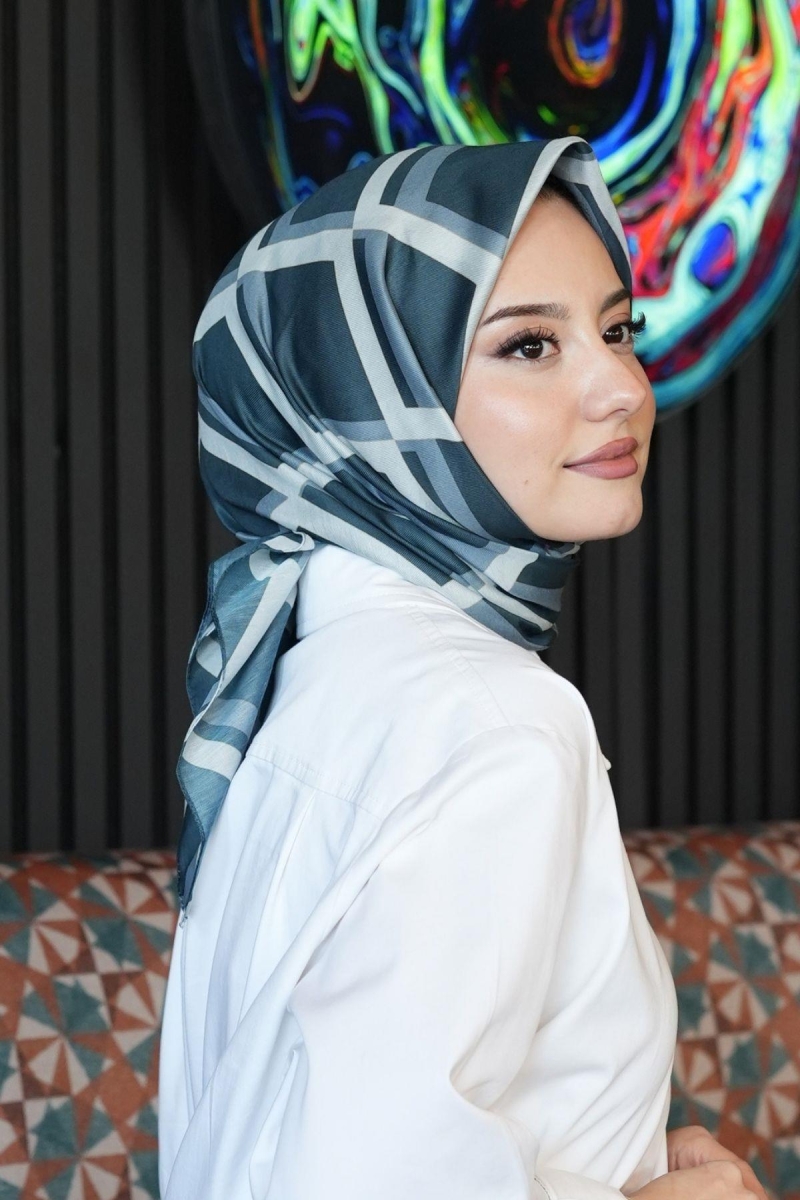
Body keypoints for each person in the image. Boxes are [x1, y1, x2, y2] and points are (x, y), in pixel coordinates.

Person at [157, 138, 766, 1200]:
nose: (622, 386)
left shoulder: (305, 676)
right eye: (528, 345)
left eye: (616, 330)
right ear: (367, 395)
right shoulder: (495, 723)